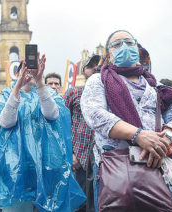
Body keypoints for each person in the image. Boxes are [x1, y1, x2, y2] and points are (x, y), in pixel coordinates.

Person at [80, 30, 172, 211]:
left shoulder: (156, 86)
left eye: (129, 42)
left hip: (157, 164)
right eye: (117, 44)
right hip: (116, 171)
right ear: (108, 55)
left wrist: (164, 139)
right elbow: (95, 113)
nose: (124, 47)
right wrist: (138, 135)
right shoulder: (98, 80)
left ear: (138, 48)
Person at [0, 53, 86, 211]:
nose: (30, 73)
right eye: (25, 70)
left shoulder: (47, 92)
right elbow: (5, 122)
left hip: (47, 165)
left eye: (33, 70)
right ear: (17, 73)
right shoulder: (8, 94)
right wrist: (18, 85)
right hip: (17, 168)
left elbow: (53, 115)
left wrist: (41, 81)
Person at [63, 54, 100, 212]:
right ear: (84, 71)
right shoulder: (74, 93)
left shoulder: (108, 93)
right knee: (78, 205)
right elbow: (61, 125)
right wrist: (70, 154)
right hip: (80, 158)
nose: (96, 68)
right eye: (91, 65)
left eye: (98, 65)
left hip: (102, 159)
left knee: (98, 204)